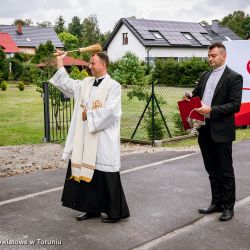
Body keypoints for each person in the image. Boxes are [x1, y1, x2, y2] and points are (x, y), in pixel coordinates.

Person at [49, 51, 130, 223]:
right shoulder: (85, 83)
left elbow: (112, 111)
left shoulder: (113, 86)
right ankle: (91, 209)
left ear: (103, 65)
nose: (90, 66)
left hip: (103, 139)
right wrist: (59, 61)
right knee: (87, 173)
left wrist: (90, 115)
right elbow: (66, 83)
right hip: (85, 139)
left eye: (93, 63)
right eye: (90, 63)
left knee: (105, 174)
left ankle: (114, 212)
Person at [189, 43, 243, 221]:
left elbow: (234, 105)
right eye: (209, 55)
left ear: (223, 56)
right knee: (211, 169)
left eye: (213, 55)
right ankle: (216, 202)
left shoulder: (234, 77)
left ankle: (228, 207)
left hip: (221, 130)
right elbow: (197, 96)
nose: (210, 58)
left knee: (225, 170)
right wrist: (190, 96)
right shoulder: (204, 75)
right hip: (204, 129)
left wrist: (212, 110)